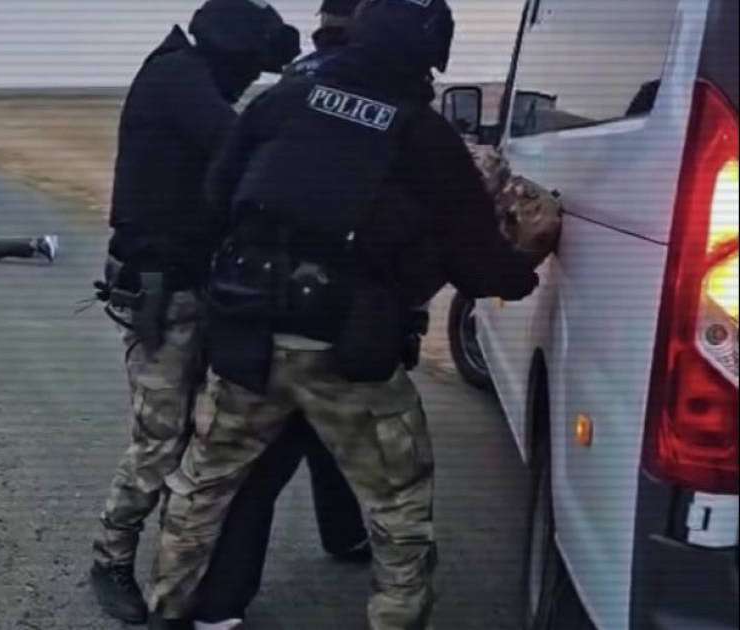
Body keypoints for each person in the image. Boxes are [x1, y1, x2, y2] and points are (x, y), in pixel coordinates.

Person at [146, 1, 541, 628]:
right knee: (400, 512)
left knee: (203, 489)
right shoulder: (423, 134)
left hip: (248, 340)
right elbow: (482, 268)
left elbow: (217, 196)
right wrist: (529, 256)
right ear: (427, 58)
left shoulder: (280, 102)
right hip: (348, 356)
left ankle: (171, 611)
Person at [89, 0, 304, 624]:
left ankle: (179, 570)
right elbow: (239, 145)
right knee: (159, 443)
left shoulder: (192, 74)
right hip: (163, 293)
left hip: (196, 289)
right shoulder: (178, 76)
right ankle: (111, 556)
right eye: (250, 69)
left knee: (198, 441)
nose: (247, 83)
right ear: (230, 53)